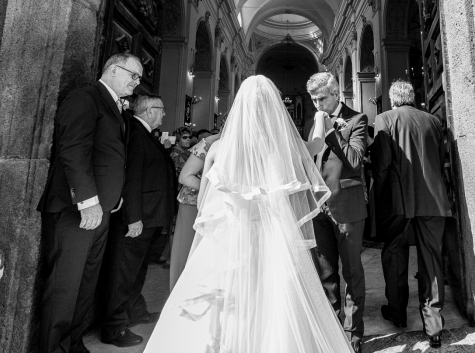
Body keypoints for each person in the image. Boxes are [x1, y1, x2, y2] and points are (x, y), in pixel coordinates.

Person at [145, 75, 353, 353]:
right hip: (272, 238)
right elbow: (315, 147)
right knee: (275, 305)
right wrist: (318, 120)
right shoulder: (284, 147)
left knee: (223, 304)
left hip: (228, 239)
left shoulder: (218, 148)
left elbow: (205, 197)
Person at [37, 53, 142, 353]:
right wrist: (87, 200)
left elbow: (109, 158)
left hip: (103, 209)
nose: (136, 82)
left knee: (86, 284)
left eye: (138, 78)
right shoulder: (85, 97)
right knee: (64, 288)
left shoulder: (117, 108)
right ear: (111, 70)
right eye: (132, 75)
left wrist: (115, 195)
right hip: (76, 210)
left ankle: (73, 343)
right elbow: (73, 149)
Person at [371, 80, 452, 349]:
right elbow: (440, 159)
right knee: (432, 261)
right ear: (412, 97)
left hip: (398, 200)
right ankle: (434, 327)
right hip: (433, 200)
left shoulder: (384, 119)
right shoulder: (433, 120)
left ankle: (397, 313)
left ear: (393, 100)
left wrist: (379, 198)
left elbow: (381, 166)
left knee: (395, 255)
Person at [100, 95, 177, 347]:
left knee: (138, 268)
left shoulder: (145, 133)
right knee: (123, 272)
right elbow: (131, 177)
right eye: (162, 110)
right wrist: (133, 217)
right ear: (149, 110)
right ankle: (114, 327)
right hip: (138, 216)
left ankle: (135, 310)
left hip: (151, 215)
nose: (164, 115)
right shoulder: (134, 132)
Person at [306, 72, 368, 353]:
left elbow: (355, 159)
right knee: (326, 274)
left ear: (335, 94)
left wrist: (331, 131)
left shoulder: (357, 120)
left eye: (321, 98)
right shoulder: (314, 122)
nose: (317, 104)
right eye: (313, 99)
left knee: (352, 272)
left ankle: (353, 335)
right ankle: (332, 329)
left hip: (347, 207)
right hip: (319, 208)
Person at [168, 131, 220, 290]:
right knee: (188, 252)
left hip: (217, 205)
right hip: (192, 203)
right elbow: (185, 177)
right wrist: (214, 190)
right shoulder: (208, 143)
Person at [158, 126, 194, 267]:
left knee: (174, 227)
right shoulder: (176, 154)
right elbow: (180, 175)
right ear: (178, 139)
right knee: (175, 227)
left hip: (180, 193)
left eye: (190, 137)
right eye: (185, 137)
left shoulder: (184, 153)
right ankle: (170, 259)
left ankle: (166, 255)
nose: (188, 140)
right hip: (178, 194)